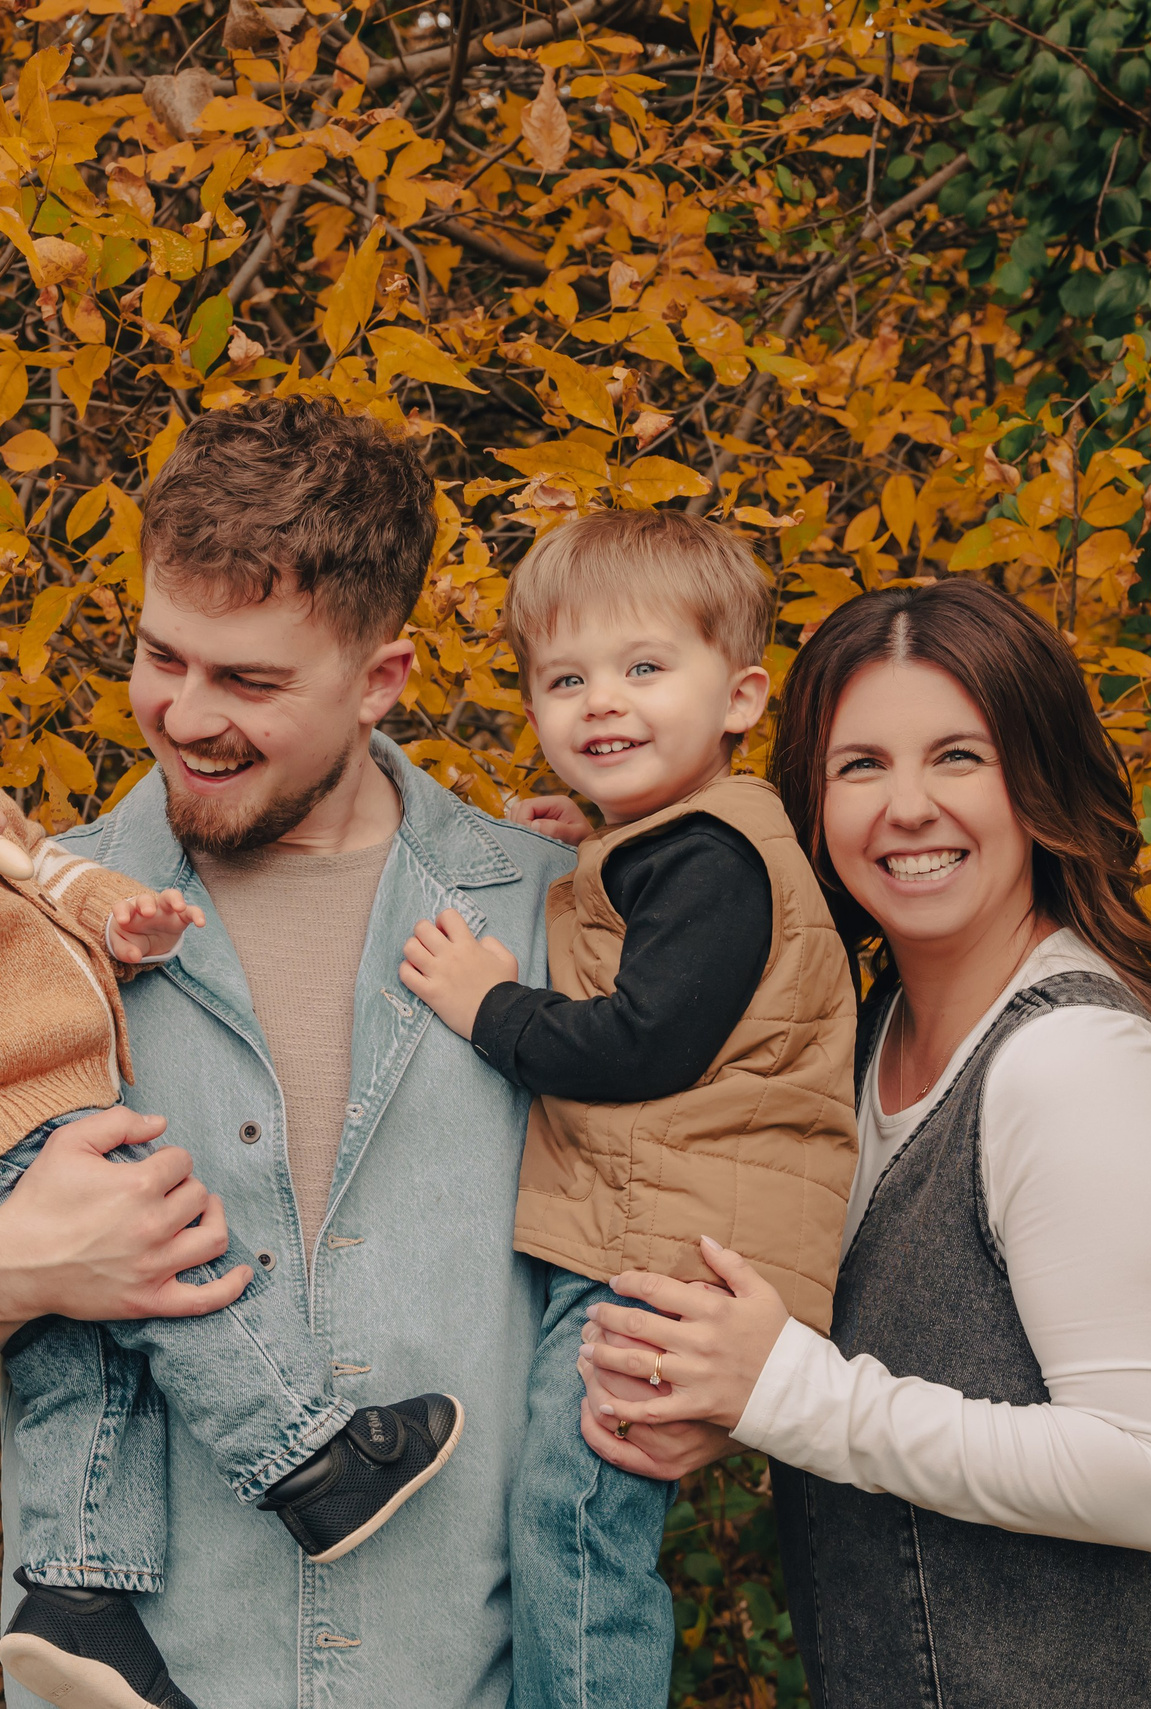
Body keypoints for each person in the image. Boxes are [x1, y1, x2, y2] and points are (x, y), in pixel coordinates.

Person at [0, 399, 605, 1709]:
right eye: (162, 656)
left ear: (381, 678)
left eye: (250, 681)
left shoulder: (556, 913)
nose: (183, 714)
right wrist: (29, 1257)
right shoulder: (1, 916)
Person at [0, 536, 469, 1709]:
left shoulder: (529, 895)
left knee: (83, 1345)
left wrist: (124, 914)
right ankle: (306, 1454)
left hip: (446, 1667)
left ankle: (75, 1597)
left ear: (378, 679)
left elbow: (44, 875)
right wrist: (16, 1260)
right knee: (169, 1251)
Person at [570, 580, 1151, 1706]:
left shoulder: (1074, 1065)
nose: (906, 807)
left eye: (957, 757)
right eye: (859, 765)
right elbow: (910, 1373)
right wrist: (730, 1400)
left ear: (1037, 781)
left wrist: (788, 1393)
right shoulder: (857, 1041)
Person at [397, 510, 858, 1709]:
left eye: (645, 668)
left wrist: (487, 1001)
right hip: (654, 1229)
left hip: (665, 1252)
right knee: (566, 1507)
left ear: (741, 696)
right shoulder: (670, 846)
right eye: (565, 678)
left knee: (576, 1514)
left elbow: (641, 1040)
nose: (602, 702)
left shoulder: (714, 860)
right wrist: (594, 845)